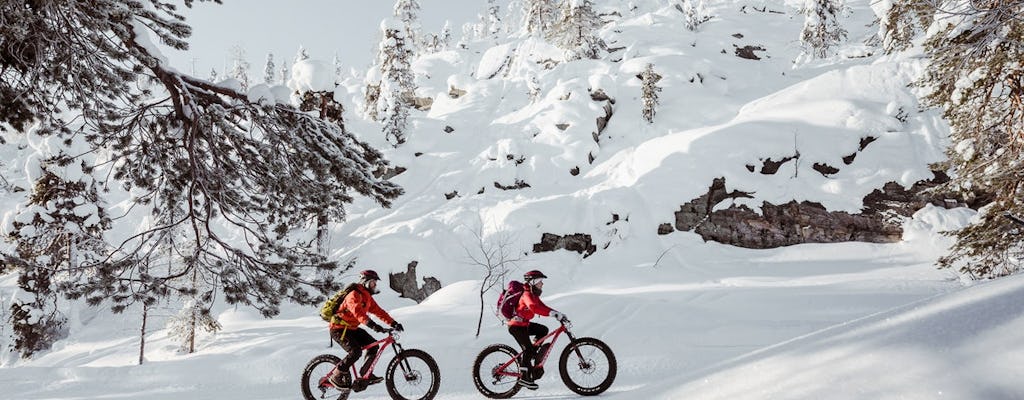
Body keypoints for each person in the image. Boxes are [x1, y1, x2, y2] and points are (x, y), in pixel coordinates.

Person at [328, 269, 404, 389]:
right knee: (355, 351)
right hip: (339, 329)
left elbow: (379, 312)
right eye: (373, 282)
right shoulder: (353, 295)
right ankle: (336, 374)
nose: (375, 285)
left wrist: (393, 323)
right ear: (366, 282)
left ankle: (365, 373)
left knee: (373, 345)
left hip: (351, 328)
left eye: (375, 283)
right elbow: (358, 314)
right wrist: (373, 325)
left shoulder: (366, 297)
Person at [507, 269, 568, 390]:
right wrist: (552, 314)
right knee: (527, 350)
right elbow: (534, 307)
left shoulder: (533, 295)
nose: (542, 284)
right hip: (516, 326)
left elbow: (542, 306)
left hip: (524, 325)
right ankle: (524, 378)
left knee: (542, 330)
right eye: (540, 281)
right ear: (532, 282)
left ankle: (533, 353)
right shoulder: (527, 294)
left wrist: (557, 313)